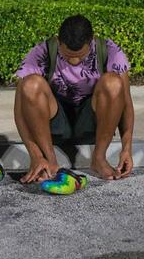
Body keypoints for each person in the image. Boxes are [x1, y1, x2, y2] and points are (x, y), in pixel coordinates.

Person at [14, 14, 135, 184]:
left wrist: (127, 148)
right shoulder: (42, 51)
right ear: (58, 41)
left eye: (80, 56)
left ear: (92, 41)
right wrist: (36, 155)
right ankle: (50, 161)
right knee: (30, 85)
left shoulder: (109, 51)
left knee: (114, 83)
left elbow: (126, 104)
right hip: (54, 125)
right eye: (67, 55)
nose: (74, 60)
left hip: (92, 124)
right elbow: (20, 110)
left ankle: (99, 158)